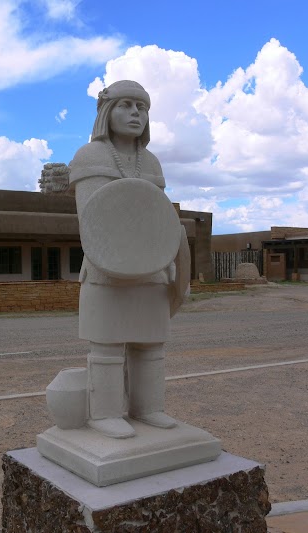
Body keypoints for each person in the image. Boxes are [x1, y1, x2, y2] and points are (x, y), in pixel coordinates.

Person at [69, 81, 190, 439]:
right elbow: (94, 219)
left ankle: (148, 408)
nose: (136, 113)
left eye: (142, 107)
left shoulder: (150, 161)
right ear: (107, 111)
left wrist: (171, 263)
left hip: (152, 267)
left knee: (150, 343)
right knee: (107, 345)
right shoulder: (90, 156)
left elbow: (155, 216)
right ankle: (105, 412)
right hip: (106, 268)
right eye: (126, 105)